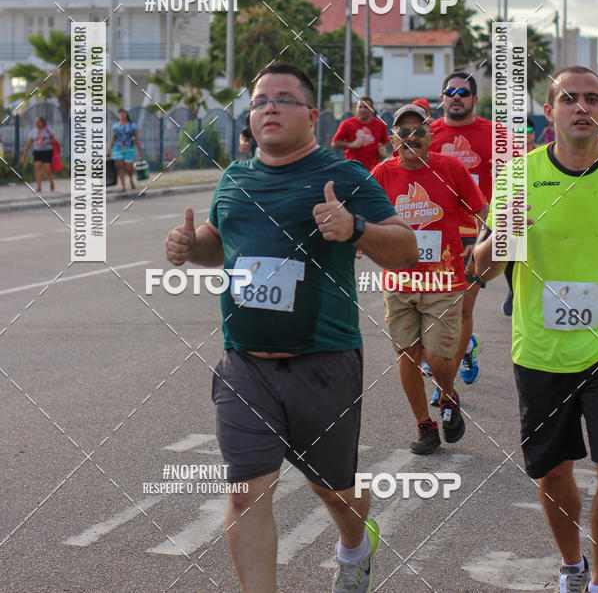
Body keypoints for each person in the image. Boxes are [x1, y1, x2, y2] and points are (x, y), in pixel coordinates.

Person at [166, 61, 418, 593]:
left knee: (335, 493)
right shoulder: (234, 178)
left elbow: (405, 247)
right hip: (245, 365)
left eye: (283, 99)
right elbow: (220, 242)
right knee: (243, 493)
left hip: (324, 362)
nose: (269, 108)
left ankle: (356, 542)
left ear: (312, 115)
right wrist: (192, 248)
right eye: (259, 101)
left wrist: (355, 228)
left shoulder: (344, 175)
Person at [473, 66, 598, 593]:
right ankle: (573, 565)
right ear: (548, 112)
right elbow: (478, 269)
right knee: (552, 473)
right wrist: (504, 238)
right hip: (541, 349)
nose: (582, 107)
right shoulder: (517, 177)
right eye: (569, 98)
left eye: (593, 98)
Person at [371, 105, 487, 454]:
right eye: (403, 132)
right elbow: (363, 218)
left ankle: (449, 398)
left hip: (443, 282)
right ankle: (425, 426)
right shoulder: (381, 173)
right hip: (399, 284)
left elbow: (482, 210)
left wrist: (479, 246)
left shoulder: (450, 168)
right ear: (393, 138)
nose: (411, 137)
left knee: (437, 357)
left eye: (418, 130)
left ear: (430, 136)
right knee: (407, 357)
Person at [428, 70, 495, 393]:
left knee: (463, 306)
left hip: (476, 235)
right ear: (442, 97)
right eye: (450, 91)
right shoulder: (427, 134)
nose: (457, 96)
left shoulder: (494, 134)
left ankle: (446, 386)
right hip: (434, 236)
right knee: (434, 305)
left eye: (463, 92)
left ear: (474, 100)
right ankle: (465, 347)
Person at [502, 116, 537, 317]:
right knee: (510, 260)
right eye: (519, 131)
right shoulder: (505, 158)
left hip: (538, 213)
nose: (524, 134)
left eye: (529, 130)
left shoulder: (545, 155)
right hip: (513, 216)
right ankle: (513, 290)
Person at [332, 96, 389, 170]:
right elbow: (335, 143)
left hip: (373, 169)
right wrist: (351, 144)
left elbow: (386, 142)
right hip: (352, 168)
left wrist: (383, 148)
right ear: (356, 108)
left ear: (372, 109)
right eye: (360, 107)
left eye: (366, 107)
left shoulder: (380, 125)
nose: (362, 110)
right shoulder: (347, 124)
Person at [106, 109, 142, 192]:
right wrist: (109, 150)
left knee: (128, 167)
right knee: (120, 167)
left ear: (126, 115)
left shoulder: (132, 126)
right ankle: (123, 186)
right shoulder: (115, 126)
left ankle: (131, 179)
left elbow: (136, 138)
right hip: (118, 148)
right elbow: (112, 138)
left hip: (129, 148)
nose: (122, 115)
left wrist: (140, 150)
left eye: (123, 114)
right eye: (120, 114)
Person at [21, 116, 57, 193]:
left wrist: (47, 142)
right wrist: (24, 155)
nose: (36, 123)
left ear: (42, 122)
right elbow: (29, 143)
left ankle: (51, 182)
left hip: (47, 151)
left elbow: (54, 140)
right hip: (37, 152)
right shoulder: (33, 131)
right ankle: (39, 187)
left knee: (47, 169)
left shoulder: (48, 129)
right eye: (35, 122)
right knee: (37, 168)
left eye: (38, 121)